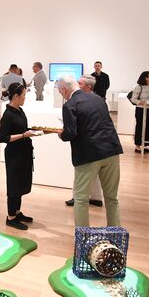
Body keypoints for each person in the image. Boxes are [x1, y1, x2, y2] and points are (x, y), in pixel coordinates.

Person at [57, 76, 123, 227]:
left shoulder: (70, 105)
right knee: (112, 198)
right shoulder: (98, 99)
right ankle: (115, 233)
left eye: (60, 91)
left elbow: (70, 133)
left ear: (64, 89)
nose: (60, 93)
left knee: (81, 199)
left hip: (89, 154)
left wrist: (61, 134)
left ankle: (84, 237)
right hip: (111, 150)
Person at [0, 83, 38, 230]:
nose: (24, 98)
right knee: (14, 184)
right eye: (23, 96)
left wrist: (33, 131)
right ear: (16, 96)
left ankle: (17, 212)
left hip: (24, 152)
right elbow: (2, 138)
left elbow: (22, 128)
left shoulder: (20, 110)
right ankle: (11, 217)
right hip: (14, 154)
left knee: (21, 183)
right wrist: (23, 135)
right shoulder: (8, 115)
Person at [65, 75, 103, 207]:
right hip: (97, 141)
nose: (77, 85)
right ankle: (96, 197)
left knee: (81, 171)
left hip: (88, 142)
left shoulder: (81, 101)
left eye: (80, 83)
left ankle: (78, 197)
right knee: (93, 171)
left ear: (88, 87)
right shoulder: (97, 100)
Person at [130, 71, 149, 153]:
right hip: (141, 109)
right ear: (145, 78)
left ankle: (145, 145)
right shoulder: (139, 87)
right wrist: (142, 102)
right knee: (140, 126)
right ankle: (137, 146)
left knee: (148, 127)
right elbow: (133, 99)